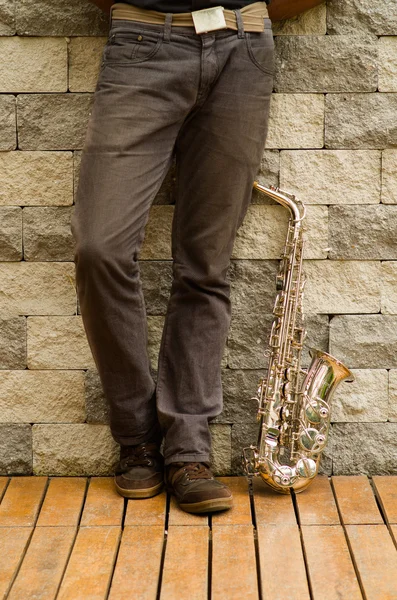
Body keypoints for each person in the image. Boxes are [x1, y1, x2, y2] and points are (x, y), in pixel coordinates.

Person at [72, 0, 324, 514]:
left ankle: (189, 450)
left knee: (205, 265)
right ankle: (137, 439)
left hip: (244, 50)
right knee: (100, 249)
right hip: (142, 44)